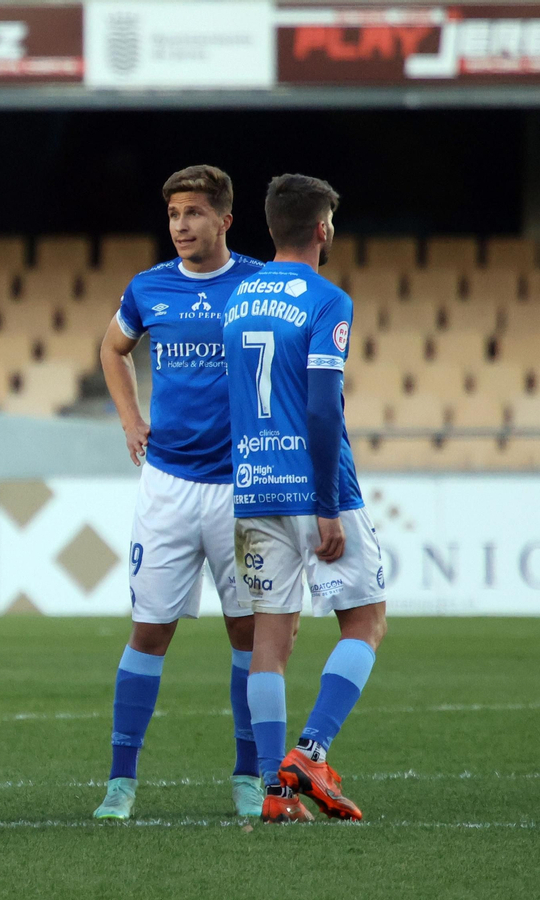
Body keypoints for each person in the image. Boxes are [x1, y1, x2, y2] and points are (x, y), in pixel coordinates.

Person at [91, 166, 268, 821]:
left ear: (225, 219)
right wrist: (130, 419)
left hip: (241, 488)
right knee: (149, 631)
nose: (181, 226)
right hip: (166, 486)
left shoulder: (259, 284)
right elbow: (112, 349)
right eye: (173, 214)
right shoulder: (149, 287)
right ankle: (120, 783)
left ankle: (248, 776)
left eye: (193, 213)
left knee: (247, 633)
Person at [222, 174, 386, 824]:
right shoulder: (328, 301)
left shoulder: (238, 298)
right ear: (322, 229)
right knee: (366, 621)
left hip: (252, 486)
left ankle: (275, 791)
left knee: (271, 637)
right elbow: (322, 408)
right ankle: (312, 753)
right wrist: (326, 503)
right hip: (313, 486)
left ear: (270, 227)